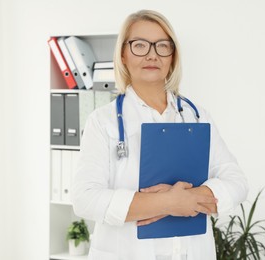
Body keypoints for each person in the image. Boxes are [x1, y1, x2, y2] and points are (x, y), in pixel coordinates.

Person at [72, 9, 248, 260]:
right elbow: (84, 198)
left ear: (172, 56)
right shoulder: (103, 122)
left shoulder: (197, 117)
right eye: (140, 45)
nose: (152, 54)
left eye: (162, 46)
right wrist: (168, 203)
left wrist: (187, 199)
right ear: (123, 53)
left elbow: (236, 182)